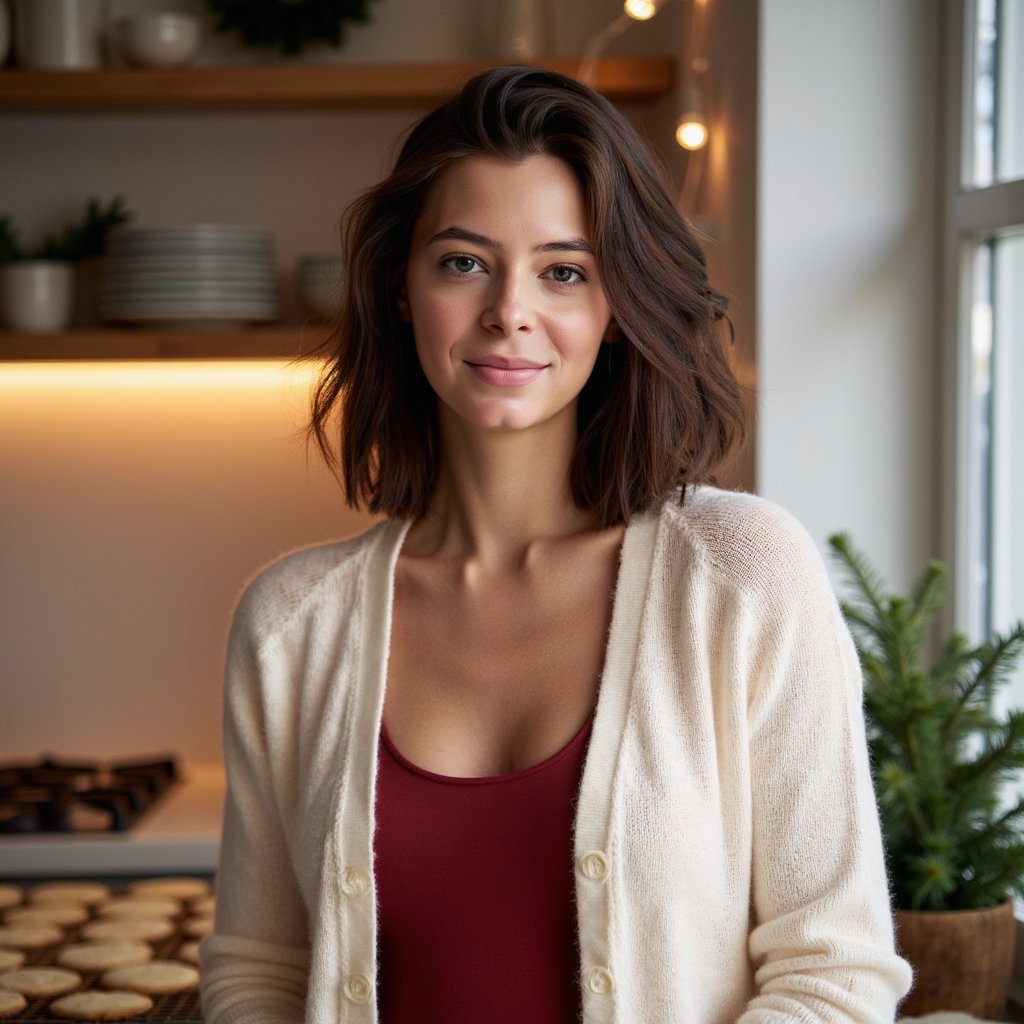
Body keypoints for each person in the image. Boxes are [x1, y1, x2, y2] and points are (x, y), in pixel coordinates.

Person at [200, 65, 911, 1023]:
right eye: (462, 261)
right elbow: (258, 970)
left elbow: (835, 975)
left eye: (563, 271)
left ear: (616, 308)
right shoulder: (291, 623)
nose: (510, 311)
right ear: (401, 289)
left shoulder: (744, 576)